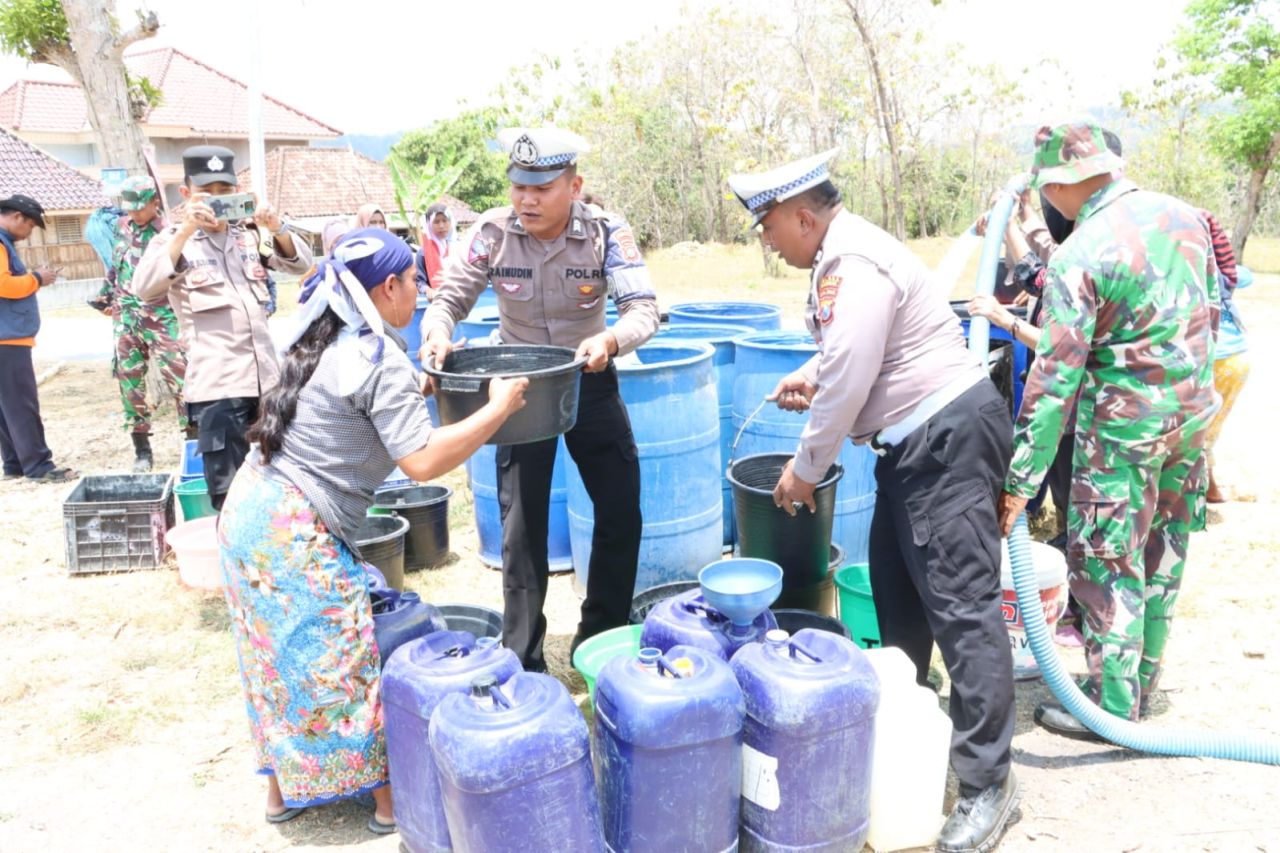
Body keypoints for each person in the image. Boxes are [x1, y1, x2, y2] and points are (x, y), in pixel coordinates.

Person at [735, 152, 1018, 853]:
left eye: (769, 225)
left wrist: (806, 467)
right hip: (912, 448)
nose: (768, 241)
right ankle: (901, 738)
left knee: (960, 606)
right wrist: (810, 370)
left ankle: (988, 784)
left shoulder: (852, 261)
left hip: (945, 440)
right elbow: (850, 350)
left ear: (803, 215)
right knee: (899, 595)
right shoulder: (842, 254)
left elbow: (853, 374)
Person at [218, 227, 529, 832]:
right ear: (389, 287)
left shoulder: (324, 335)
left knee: (271, 655)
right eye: (416, 280)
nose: (422, 289)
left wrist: (425, 380)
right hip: (293, 528)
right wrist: (498, 407)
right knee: (341, 654)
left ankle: (280, 792)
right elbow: (422, 462)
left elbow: (362, 406)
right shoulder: (376, 356)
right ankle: (386, 803)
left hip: (249, 512)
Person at [997, 122, 1218, 737]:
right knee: (1164, 552)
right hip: (1190, 421)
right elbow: (1214, 313)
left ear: (1062, 182)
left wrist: (1020, 480)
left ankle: (1114, 711)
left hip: (1122, 434)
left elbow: (1053, 378)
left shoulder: (1083, 250)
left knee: (1108, 563)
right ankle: (1143, 681)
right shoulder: (1185, 218)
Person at [420, 127, 660, 673]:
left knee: (621, 511)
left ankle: (600, 639)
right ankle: (524, 660)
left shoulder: (605, 234)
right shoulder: (492, 233)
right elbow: (449, 297)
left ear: (573, 186)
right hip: (519, 390)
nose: (526, 199)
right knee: (520, 527)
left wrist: (610, 340)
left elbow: (643, 310)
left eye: (542, 188)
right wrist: (436, 332)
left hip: (588, 379)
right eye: (518, 187)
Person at [134, 145, 313, 510]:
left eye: (224, 191)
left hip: (268, 382)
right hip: (218, 388)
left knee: (280, 481)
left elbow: (300, 264)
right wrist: (184, 232)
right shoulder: (173, 241)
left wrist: (277, 227)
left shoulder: (249, 236)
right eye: (206, 193)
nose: (216, 200)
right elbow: (144, 287)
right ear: (185, 195)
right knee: (231, 495)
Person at [94, 176, 191, 471]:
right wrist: (105, 294)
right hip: (126, 317)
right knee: (129, 381)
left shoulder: (170, 233)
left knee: (182, 380)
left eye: (140, 208)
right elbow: (116, 265)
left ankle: (193, 443)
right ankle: (142, 450)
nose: (134, 213)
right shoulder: (121, 227)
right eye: (130, 208)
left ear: (155, 203)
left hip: (162, 316)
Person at [0, 194, 76, 483]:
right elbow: (3, 284)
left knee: (7, 406)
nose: (29, 233)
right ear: (18, 217)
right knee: (21, 404)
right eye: (30, 226)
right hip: (7, 338)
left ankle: (15, 464)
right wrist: (37, 278)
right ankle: (38, 466)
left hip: (5, 338)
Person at [1201, 210, 1248, 504]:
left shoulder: (1184, 270)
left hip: (1207, 359)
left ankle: (1207, 489)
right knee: (1209, 429)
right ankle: (1211, 486)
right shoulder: (1224, 275)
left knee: (1193, 430)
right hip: (1238, 360)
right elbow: (1244, 275)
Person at [419, 202, 455, 289]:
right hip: (435, 300)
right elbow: (419, 281)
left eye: (445, 220)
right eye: (436, 222)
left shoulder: (458, 248)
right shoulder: (422, 253)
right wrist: (427, 290)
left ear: (450, 222)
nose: (441, 226)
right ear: (429, 224)